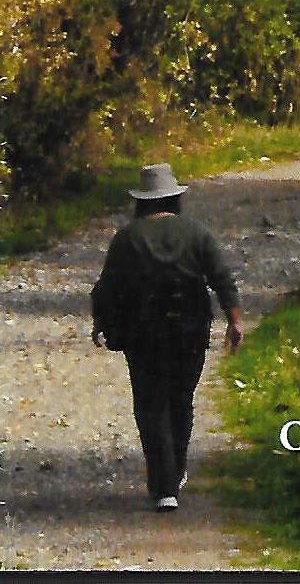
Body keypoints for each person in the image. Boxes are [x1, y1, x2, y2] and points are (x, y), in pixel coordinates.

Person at [91, 161, 243, 512]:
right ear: (175, 199)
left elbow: (108, 287)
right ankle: (176, 470)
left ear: (141, 201)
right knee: (180, 399)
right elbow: (223, 279)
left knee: (150, 404)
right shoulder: (198, 233)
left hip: (143, 334)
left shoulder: (127, 237)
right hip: (189, 330)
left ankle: (163, 485)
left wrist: (100, 323)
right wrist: (235, 322)